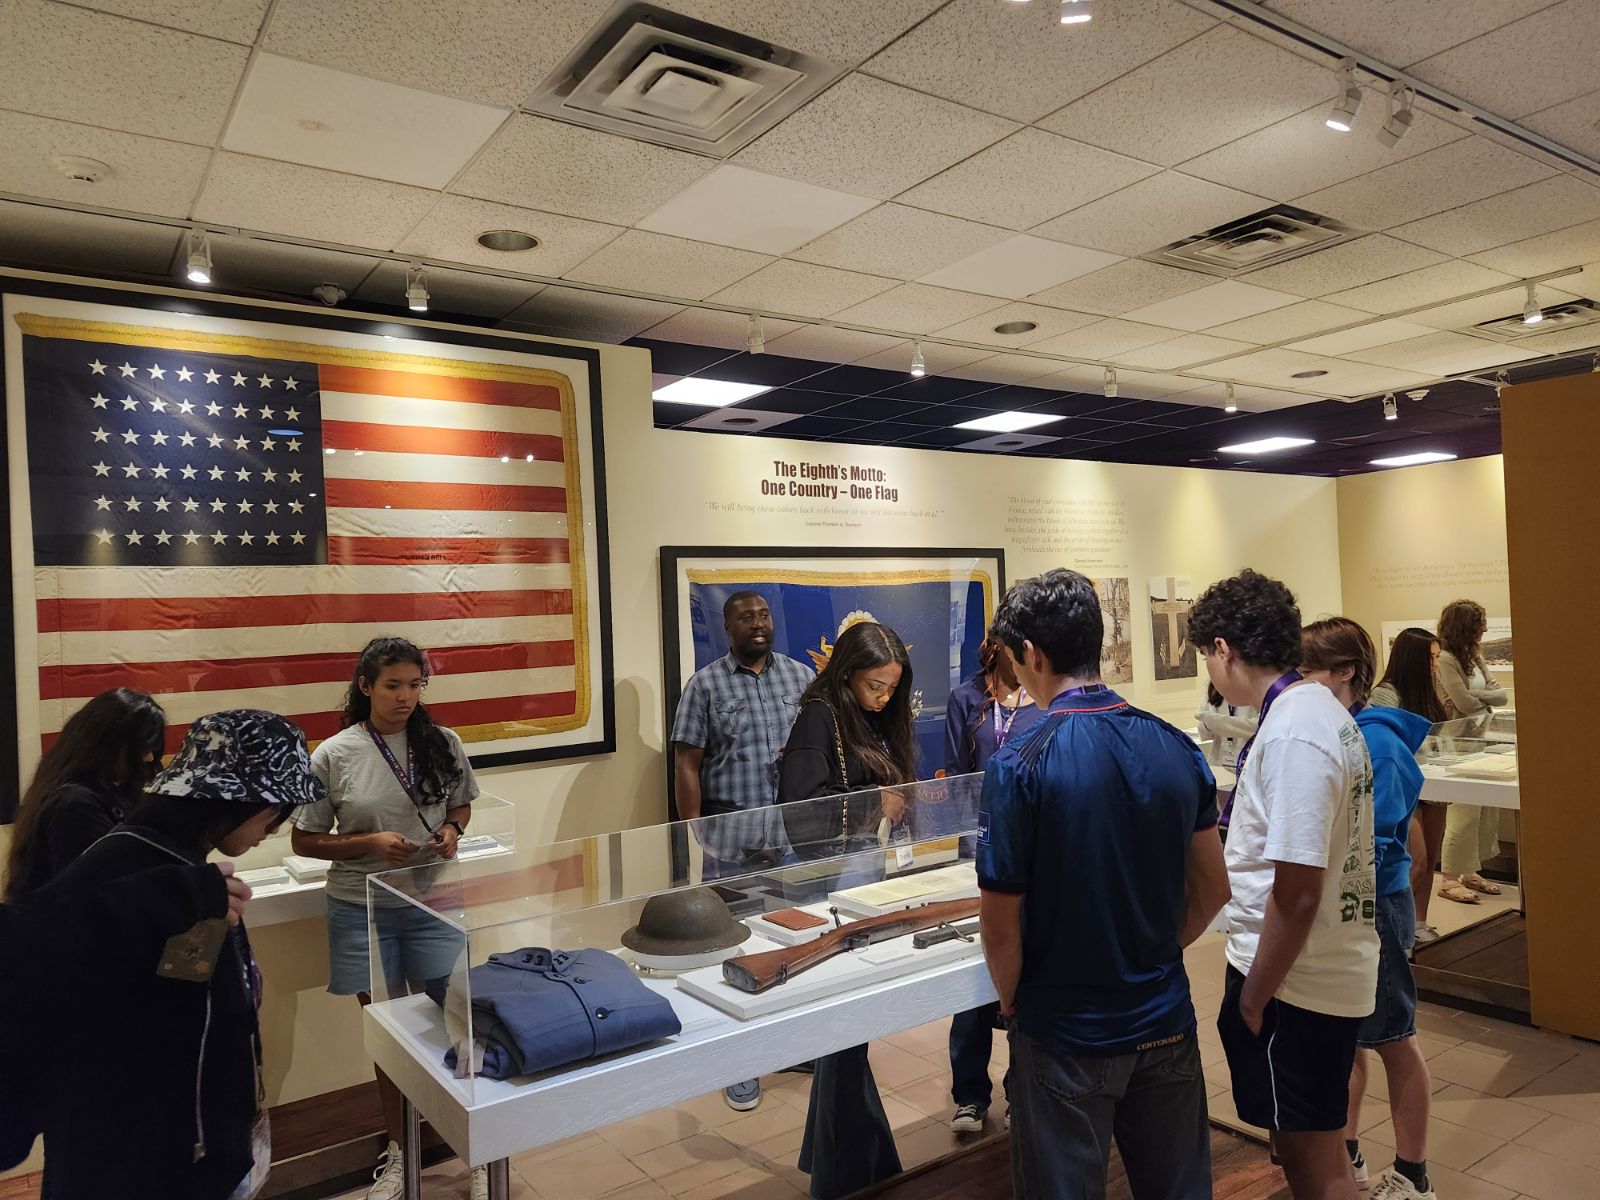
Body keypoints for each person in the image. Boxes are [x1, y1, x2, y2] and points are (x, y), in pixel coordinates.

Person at [979, 569, 1229, 1200]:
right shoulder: (1175, 746)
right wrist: (1156, 949)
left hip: (1065, 1031)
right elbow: (1213, 888)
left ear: (1031, 654)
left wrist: (1013, 1004)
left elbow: (1001, 924)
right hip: (1166, 1017)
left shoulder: (1018, 764)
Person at [31, 709, 323, 1199]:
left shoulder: (155, 855)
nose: (270, 831)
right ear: (243, 800)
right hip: (153, 1157)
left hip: (150, 1145)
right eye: (275, 813)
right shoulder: (158, 873)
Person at [1189, 570, 1377, 1200]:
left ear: (1223, 649)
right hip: (1300, 972)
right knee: (1300, 1146)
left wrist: (1252, 996)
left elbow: (1297, 893)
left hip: (1294, 982)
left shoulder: (1297, 729)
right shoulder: (1313, 710)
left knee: (1314, 1155)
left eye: (1205, 659)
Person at [290, 638, 480, 1200]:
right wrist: (367, 843)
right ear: (366, 686)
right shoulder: (335, 753)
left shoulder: (442, 742)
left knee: (455, 1025)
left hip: (434, 900)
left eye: (415, 685)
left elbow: (462, 804)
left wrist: (452, 832)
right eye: (392, 685)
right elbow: (304, 838)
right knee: (390, 1036)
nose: (404, 697)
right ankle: (401, 1154)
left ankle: (476, 1148)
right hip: (362, 905)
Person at [778, 621, 915, 1200]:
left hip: (862, 875)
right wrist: (871, 807)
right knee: (845, 1029)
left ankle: (847, 1163)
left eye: (891, 688)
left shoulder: (862, 716)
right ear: (848, 673)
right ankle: (847, 1172)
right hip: (830, 883)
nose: (884, 697)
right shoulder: (819, 717)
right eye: (875, 685)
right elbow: (800, 813)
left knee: (850, 1030)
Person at [1301, 619, 1436, 1200]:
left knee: (1394, 1039)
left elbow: (1374, 846)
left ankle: (1413, 1175)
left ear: (1346, 672)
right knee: (1350, 1039)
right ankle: (1349, 1153)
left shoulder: (1375, 740)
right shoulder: (1347, 729)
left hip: (1375, 905)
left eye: (1308, 672)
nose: (1299, 683)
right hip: (1353, 905)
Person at [670, 591, 814, 1111]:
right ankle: (740, 1066)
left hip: (793, 840)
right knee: (734, 952)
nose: (757, 623)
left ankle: (794, 1047)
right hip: (730, 842)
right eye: (745, 618)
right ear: (726, 628)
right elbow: (687, 763)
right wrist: (695, 832)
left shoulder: (799, 677)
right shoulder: (705, 685)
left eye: (763, 615)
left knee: (793, 944)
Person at [941, 635, 1043, 1134]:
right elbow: (958, 777)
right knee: (971, 973)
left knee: (1027, 971)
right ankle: (970, 1094)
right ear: (996, 643)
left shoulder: (1041, 698)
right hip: (977, 846)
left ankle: (1023, 1087)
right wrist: (967, 845)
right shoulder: (966, 699)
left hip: (1030, 847)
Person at [3, 688, 166, 901]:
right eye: (144, 748)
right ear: (109, 745)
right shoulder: (75, 805)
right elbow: (94, 895)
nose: (149, 758)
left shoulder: (96, 791)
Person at [1370, 628, 1448, 945]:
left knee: (1430, 860)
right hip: (1404, 786)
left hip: (1434, 783)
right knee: (1415, 859)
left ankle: (1419, 922)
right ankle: (1399, 929)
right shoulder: (1386, 695)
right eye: (1431, 658)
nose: (1435, 665)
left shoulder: (1428, 690)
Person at [1434, 601, 1508, 907]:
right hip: (1458, 741)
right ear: (1466, 625)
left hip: (1480, 737)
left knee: (1481, 810)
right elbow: (1463, 705)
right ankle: (1450, 878)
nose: (1485, 628)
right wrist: (1481, 697)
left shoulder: (1474, 657)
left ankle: (1469, 870)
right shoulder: (1446, 659)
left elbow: (1501, 696)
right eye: (1480, 622)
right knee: (1463, 811)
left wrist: (1475, 695)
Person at [1196, 683, 1258, 843]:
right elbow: (1203, 729)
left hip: (1246, 767)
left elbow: (1260, 726)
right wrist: (1211, 723)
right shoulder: (1213, 685)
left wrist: (1221, 723)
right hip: (1219, 766)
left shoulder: (1254, 684)